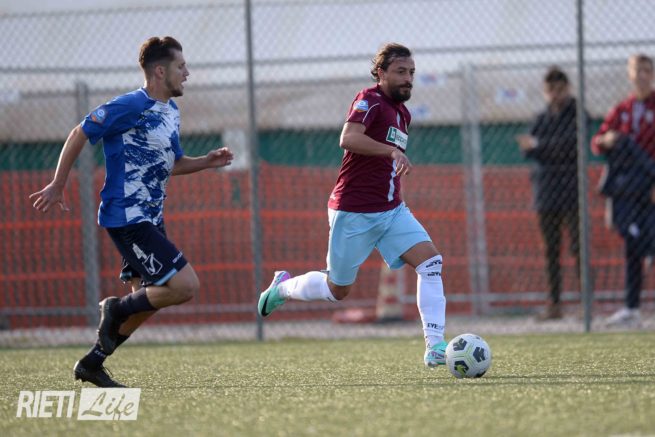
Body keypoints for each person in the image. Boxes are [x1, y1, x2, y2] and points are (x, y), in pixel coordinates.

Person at [29, 36, 234, 386]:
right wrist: (58, 183)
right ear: (160, 71)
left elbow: (170, 163)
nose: (187, 73)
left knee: (147, 301)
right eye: (181, 66)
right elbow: (80, 131)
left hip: (151, 217)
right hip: (128, 216)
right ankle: (113, 309)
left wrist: (205, 161)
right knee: (185, 286)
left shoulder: (171, 111)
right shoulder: (130, 105)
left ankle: (92, 363)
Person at [257, 43, 448, 367]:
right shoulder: (368, 100)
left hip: (391, 211)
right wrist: (391, 151)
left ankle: (435, 347)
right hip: (354, 211)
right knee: (337, 289)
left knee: (430, 263)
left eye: (411, 72)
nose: (408, 78)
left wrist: (393, 172)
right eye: (400, 72)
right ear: (380, 73)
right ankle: (283, 288)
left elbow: (385, 166)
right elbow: (348, 138)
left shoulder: (403, 113)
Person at [592, 53, 655, 328]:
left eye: (646, 70)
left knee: (649, 239)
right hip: (627, 190)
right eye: (637, 70)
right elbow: (597, 142)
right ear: (630, 75)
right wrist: (606, 139)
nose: (641, 75)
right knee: (632, 246)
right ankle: (631, 308)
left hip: (650, 186)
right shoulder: (622, 109)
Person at [516, 66, 580, 320]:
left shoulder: (576, 114)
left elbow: (570, 146)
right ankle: (555, 304)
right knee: (550, 251)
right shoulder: (541, 117)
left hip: (572, 191)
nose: (555, 94)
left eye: (559, 89)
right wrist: (542, 147)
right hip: (546, 191)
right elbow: (526, 148)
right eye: (550, 90)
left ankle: (585, 304)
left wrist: (540, 146)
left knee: (578, 247)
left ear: (567, 88)